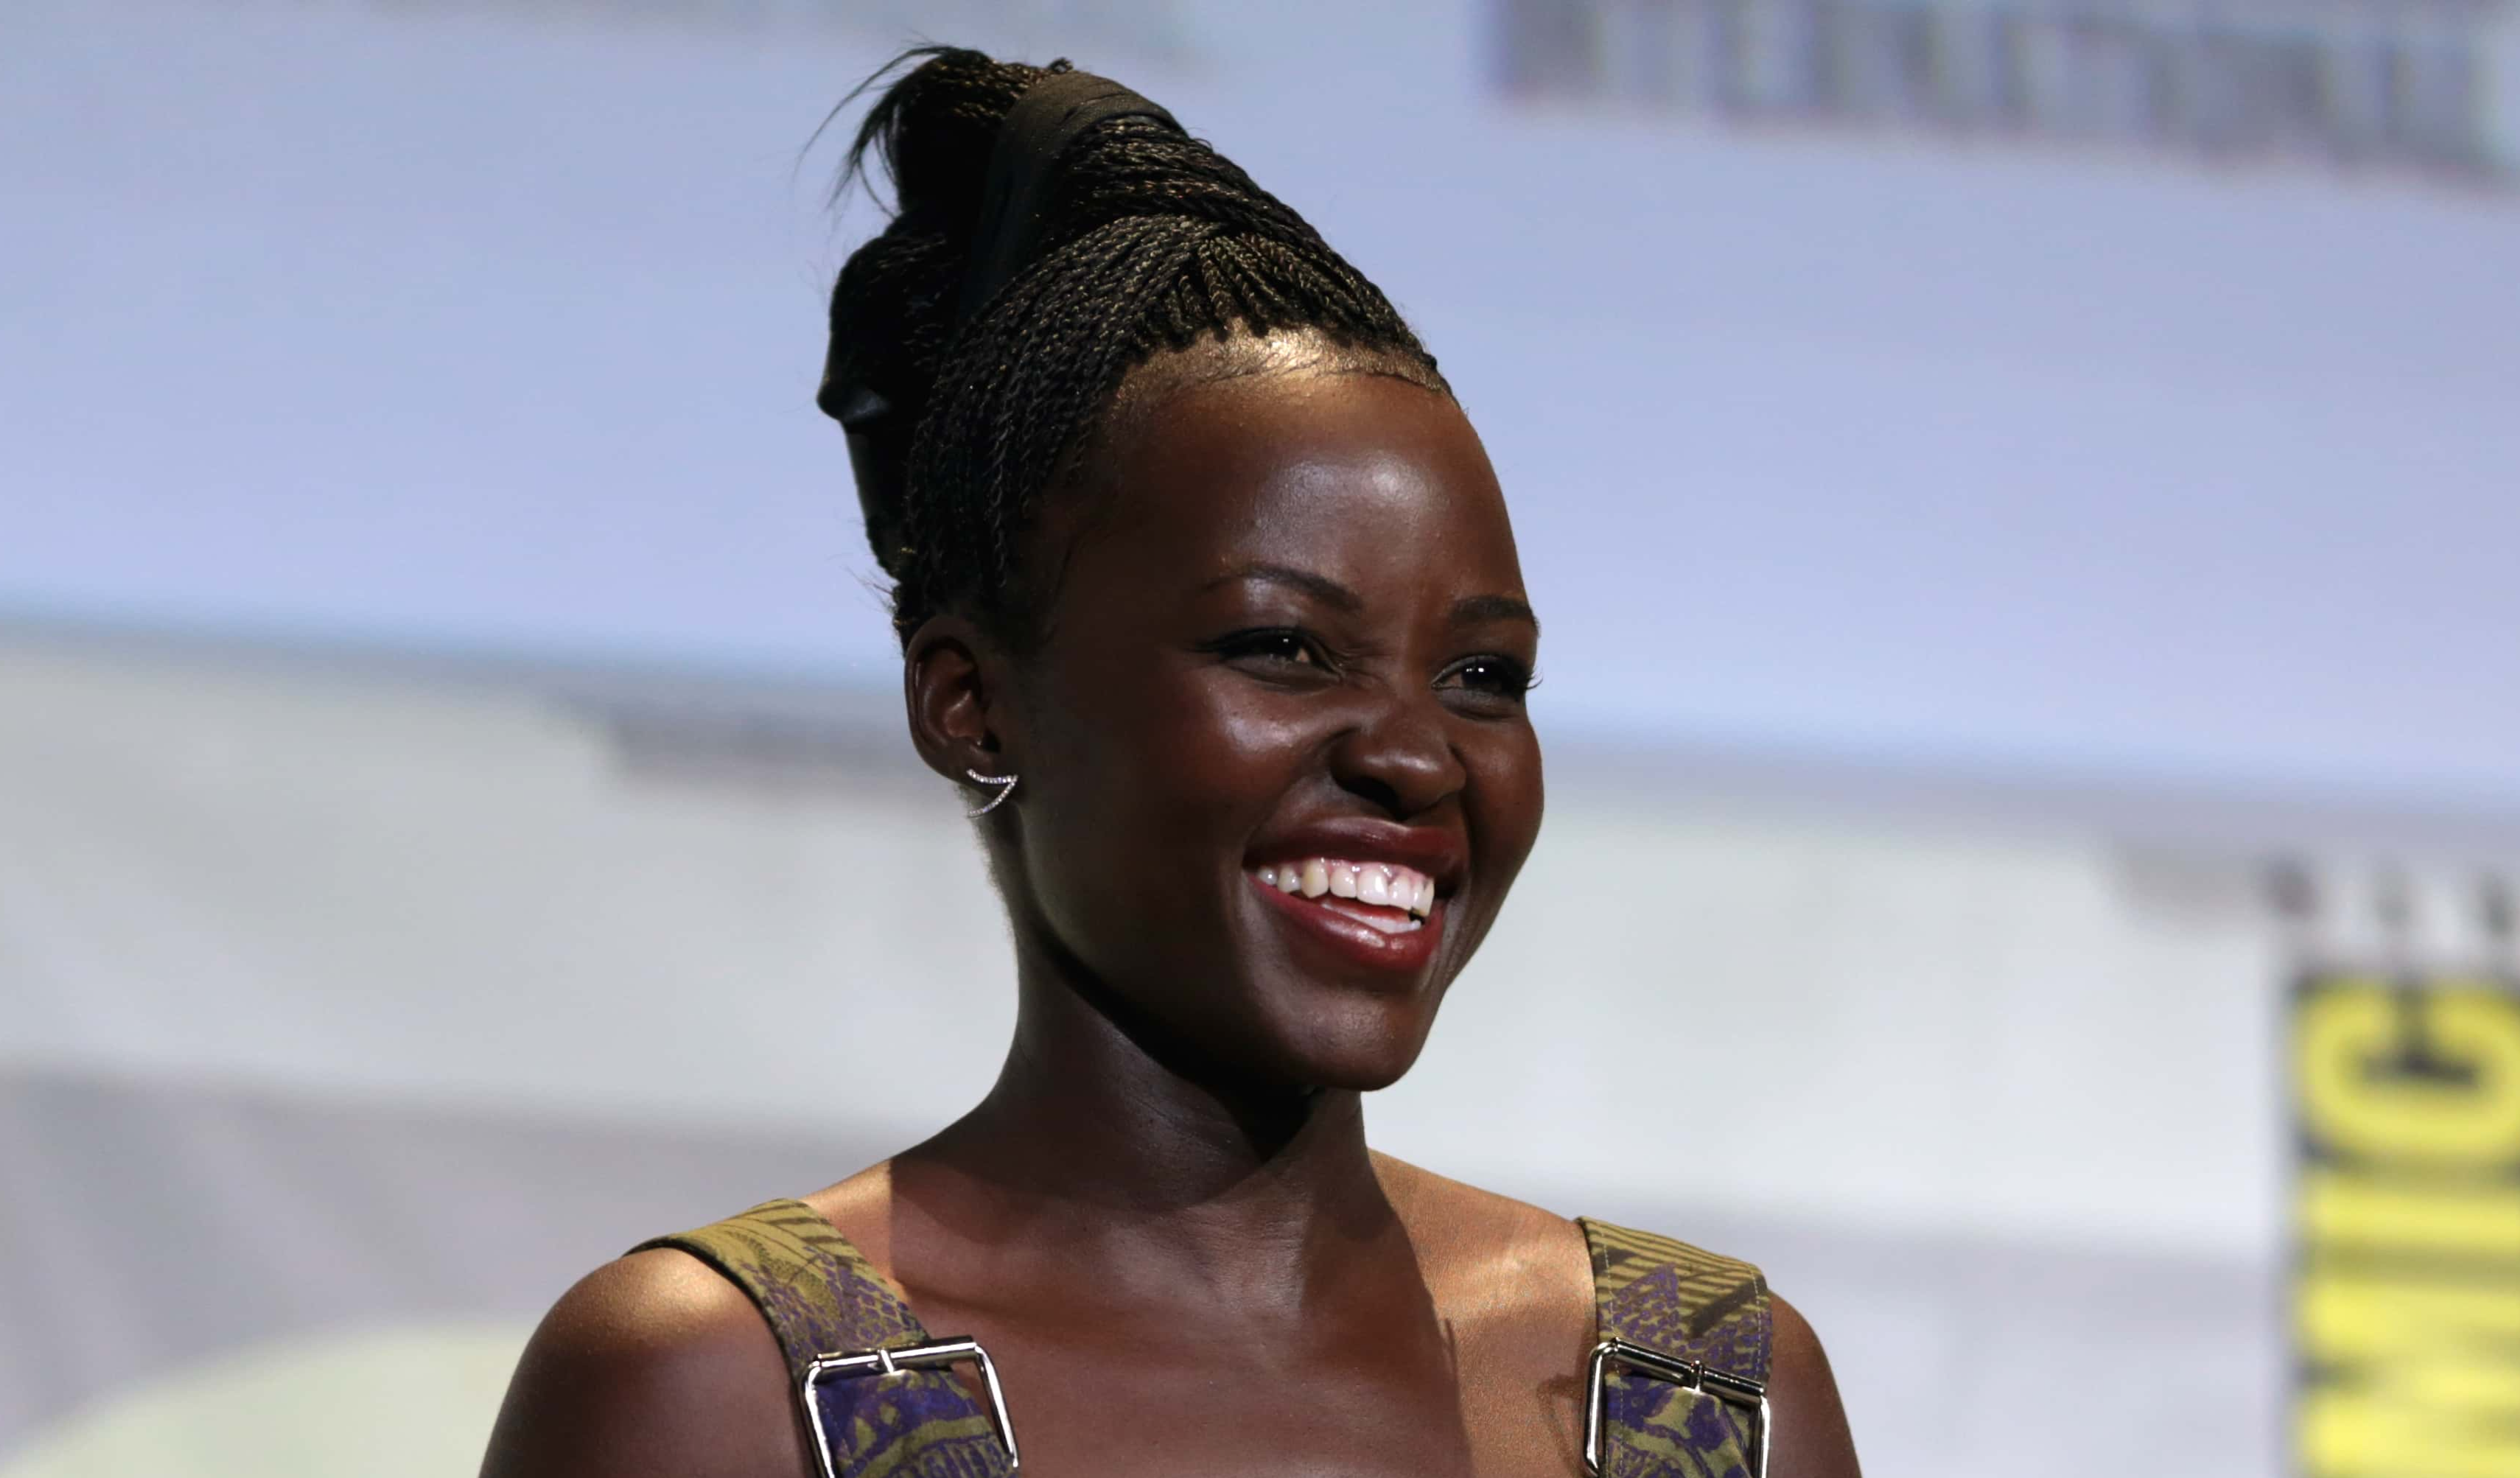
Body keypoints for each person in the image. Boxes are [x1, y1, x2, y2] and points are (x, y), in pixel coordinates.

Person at [481, 46, 1860, 1478]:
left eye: (1482, 677)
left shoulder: (1711, 1396)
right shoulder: (717, 1391)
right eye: (1284, 647)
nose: (1415, 755)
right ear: (970, 701)